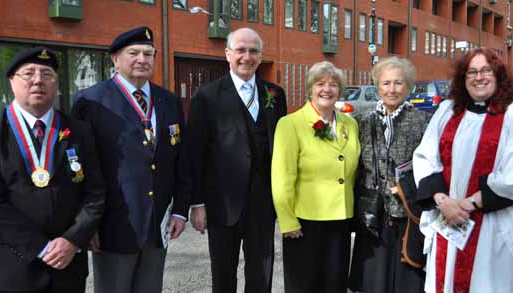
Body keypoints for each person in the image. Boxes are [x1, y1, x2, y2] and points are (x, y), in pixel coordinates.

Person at [413, 48, 513, 293]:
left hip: (495, 229)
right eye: (472, 72)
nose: (479, 77)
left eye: (486, 70)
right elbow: (425, 157)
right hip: (449, 222)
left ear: (498, 75)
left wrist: (471, 203)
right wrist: (443, 202)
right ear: (463, 79)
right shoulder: (447, 111)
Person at [0, 47, 106, 293]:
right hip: (13, 265)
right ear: (12, 82)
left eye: (47, 73)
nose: (38, 80)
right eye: (28, 73)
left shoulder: (79, 131)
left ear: (55, 84)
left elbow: (95, 193)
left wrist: (72, 240)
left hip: (68, 265)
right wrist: (43, 248)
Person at [72, 27, 189, 293]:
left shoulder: (168, 101)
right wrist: (85, 224)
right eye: (133, 52)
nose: (142, 59)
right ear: (115, 58)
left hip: (158, 224)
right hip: (113, 225)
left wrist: (181, 209)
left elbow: (181, 159)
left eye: (149, 53)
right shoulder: (91, 101)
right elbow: (80, 167)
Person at [184, 27, 287, 293]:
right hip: (222, 204)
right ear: (227, 53)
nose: (247, 56)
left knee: (261, 273)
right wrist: (197, 204)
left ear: (261, 55)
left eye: (253, 51)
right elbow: (195, 154)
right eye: (240, 50)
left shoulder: (274, 94)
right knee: (223, 274)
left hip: (264, 202)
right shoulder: (207, 96)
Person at [272, 61, 360, 293]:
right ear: (310, 89)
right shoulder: (290, 124)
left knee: (335, 284)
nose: (327, 90)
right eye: (320, 84)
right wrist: (287, 220)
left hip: (341, 219)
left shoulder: (350, 124)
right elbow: (282, 177)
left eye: (333, 85)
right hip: (304, 222)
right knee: (304, 285)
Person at [347, 56, 430, 293]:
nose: (391, 89)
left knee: (407, 280)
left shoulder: (423, 121)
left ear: (408, 86)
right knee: (374, 281)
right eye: (386, 83)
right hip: (373, 214)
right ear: (377, 86)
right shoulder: (362, 121)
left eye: (398, 83)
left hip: (408, 213)